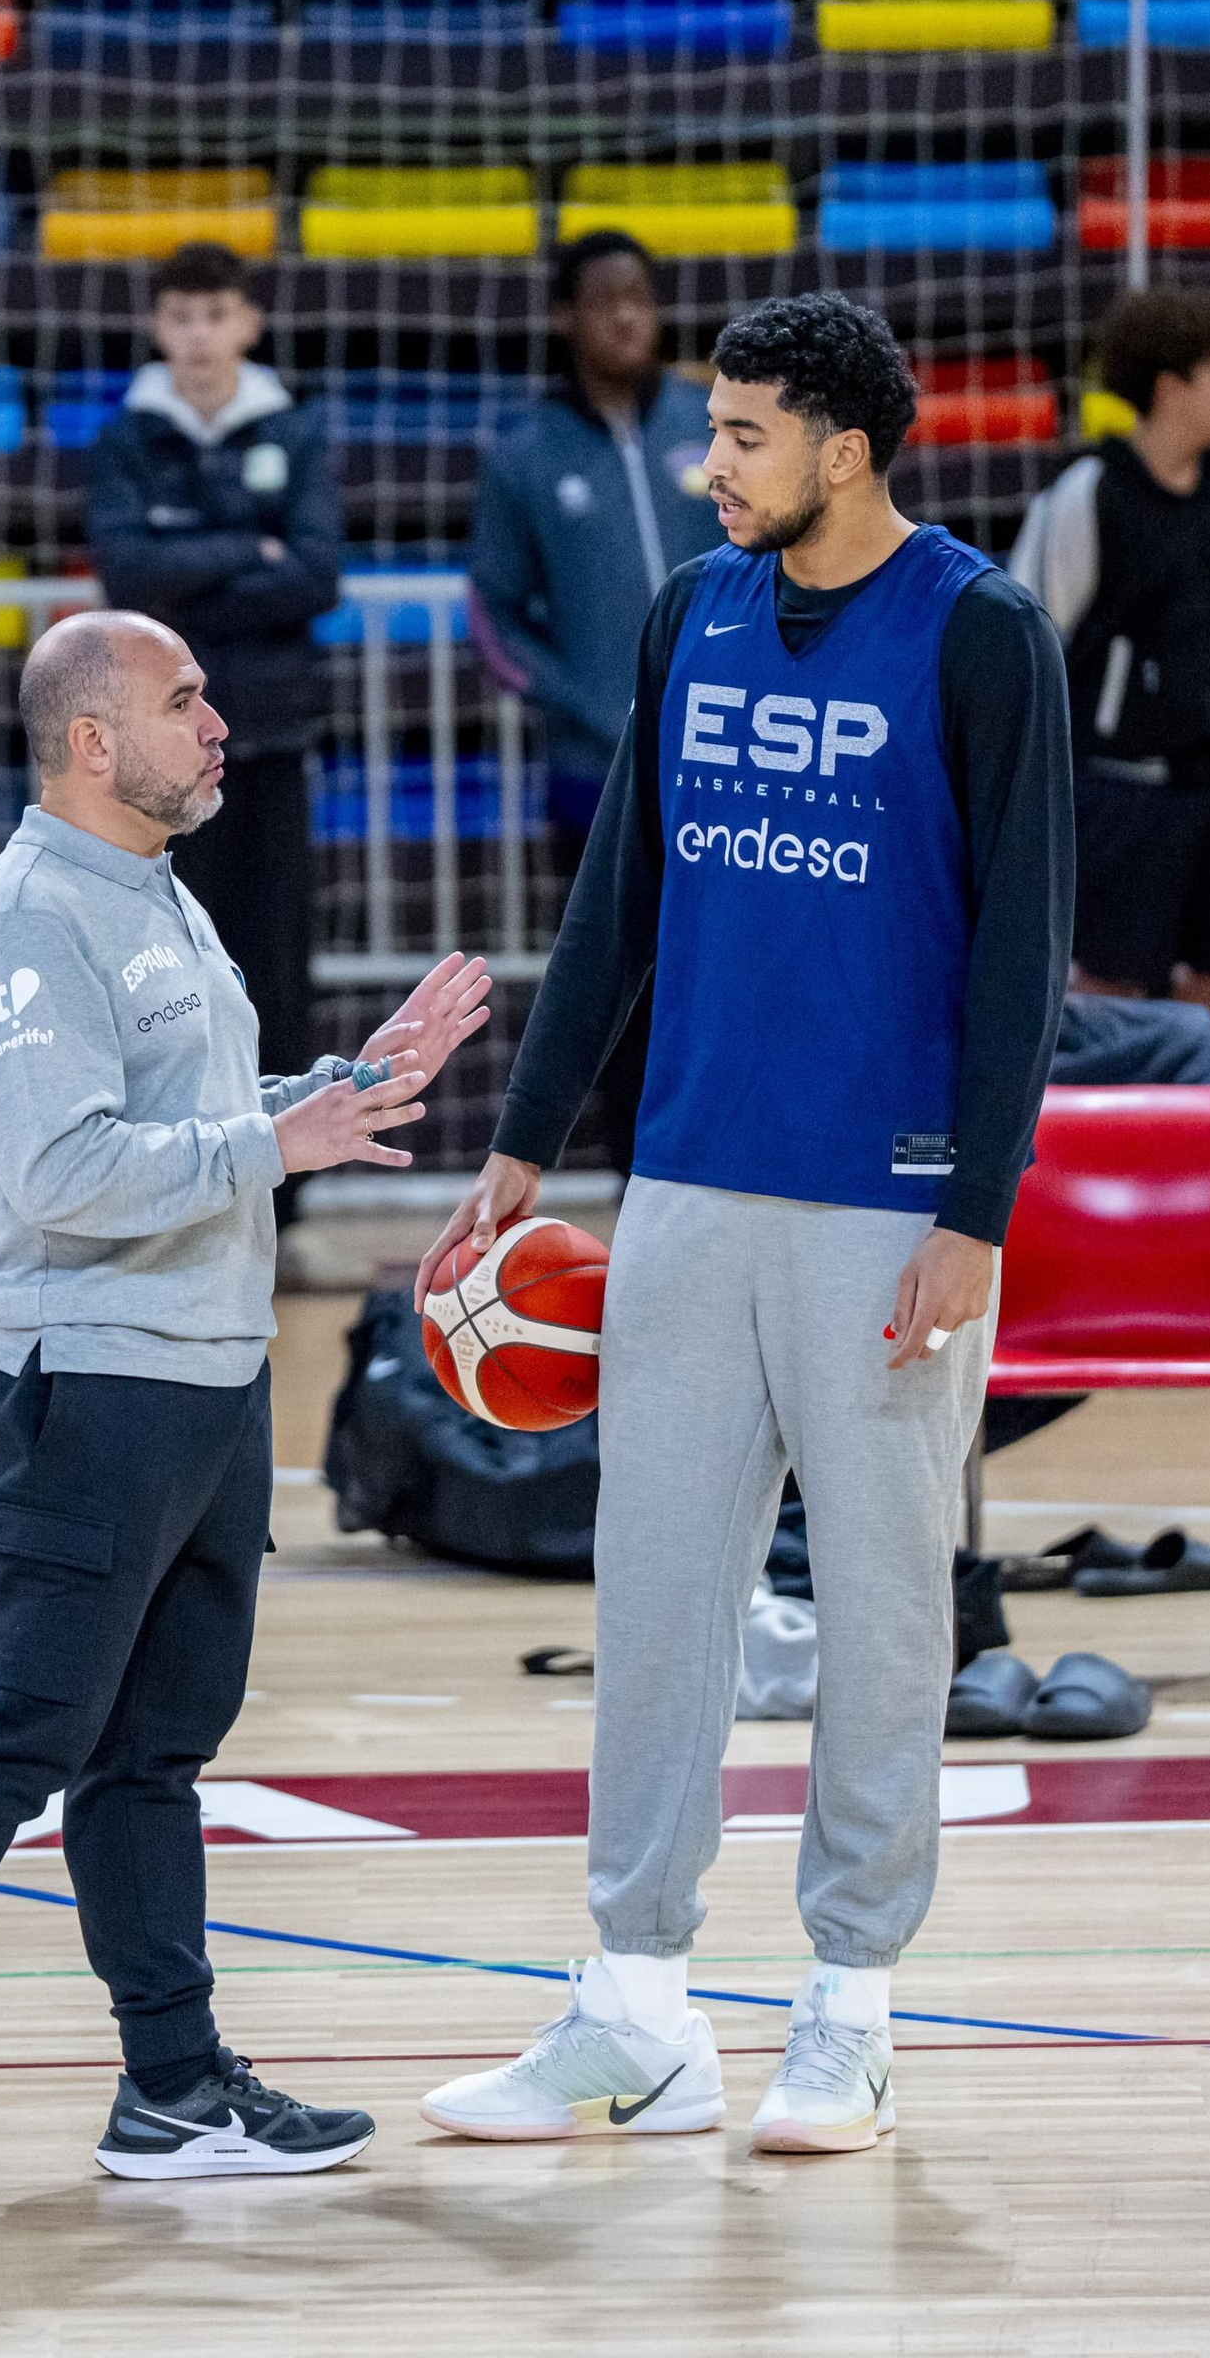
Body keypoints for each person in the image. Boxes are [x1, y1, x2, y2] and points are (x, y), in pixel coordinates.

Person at [414, 293, 1074, 2156]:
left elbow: (1023, 947)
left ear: (845, 451)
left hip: (889, 1203)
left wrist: (976, 1208)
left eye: (744, 438)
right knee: (663, 1599)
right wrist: (534, 1134)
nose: (710, 469)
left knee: (878, 1614)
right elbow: (624, 884)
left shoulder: (981, 632)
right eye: (711, 433)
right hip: (689, 1181)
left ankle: (849, 2010)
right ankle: (632, 2008)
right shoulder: (688, 616)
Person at [0, 611, 490, 2203]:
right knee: (22, 1725)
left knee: (154, 1749)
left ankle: (172, 2087)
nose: (219, 723)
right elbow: (69, 1173)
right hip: (90, 1379)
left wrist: (327, 1091)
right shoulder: (23, 925)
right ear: (95, 742)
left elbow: (198, 1126)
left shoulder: (155, 898)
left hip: (208, 1380)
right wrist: (272, 1147)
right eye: (185, 701)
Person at [87, 240, 342, 1227]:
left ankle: (284, 1195)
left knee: (271, 967)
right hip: (152, 764)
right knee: (162, 973)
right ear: (160, 327)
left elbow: (316, 573)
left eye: (215, 314)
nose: (198, 334)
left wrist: (183, 560)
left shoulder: (297, 428)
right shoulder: (126, 440)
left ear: (247, 322)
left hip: (266, 741)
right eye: (180, 316)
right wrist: (247, 548)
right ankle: (175, 1180)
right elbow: (125, 575)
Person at [467, 230, 722, 1167]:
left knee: (725, 975)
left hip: (727, 765)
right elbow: (492, 614)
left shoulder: (714, 424)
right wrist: (582, 704)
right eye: (605, 298)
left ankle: (726, 1175)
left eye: (641, 297)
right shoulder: (525, 455)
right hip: (595, 776)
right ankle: (635, 1184)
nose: (627, 315)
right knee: (620, 988)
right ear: (563, 316)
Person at [1010, 287, 1210, 1050]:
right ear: (1170, 387)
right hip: (1125, 798)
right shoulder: (1085, 496)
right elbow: (1032, 646)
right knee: (1105, 991)